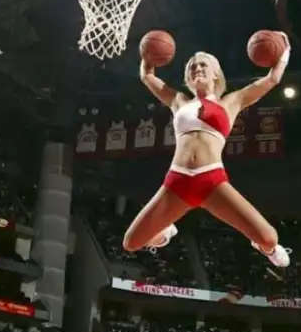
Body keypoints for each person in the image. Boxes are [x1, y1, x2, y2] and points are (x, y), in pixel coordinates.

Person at [123, 36, 291, 267]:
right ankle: (164, 234)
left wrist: (284, 52)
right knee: (131, 243)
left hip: (211, 180)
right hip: (177, 180)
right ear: (188, 77)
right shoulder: (178, 100)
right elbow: (147, 76)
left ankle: (265, 248)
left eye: (203, 65)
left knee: (269, 238)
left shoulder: (232, 101)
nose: (197, 69)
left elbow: (272, 78)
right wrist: (147, 55)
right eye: (192, 67)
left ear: (215, 74)